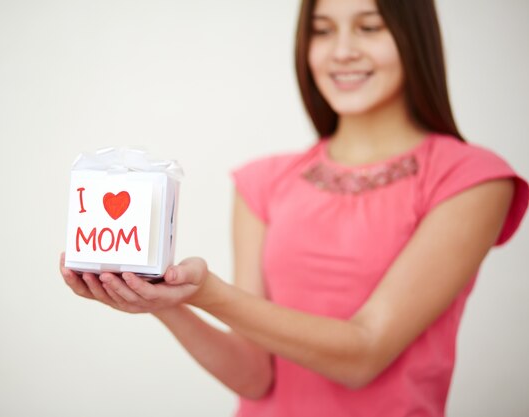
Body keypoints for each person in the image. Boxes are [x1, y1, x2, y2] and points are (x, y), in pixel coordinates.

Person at [60, 0, 529, 415]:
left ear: (414, 37)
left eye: (369, 26)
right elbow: (254, 377)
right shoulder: (262, 181)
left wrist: (205, 292)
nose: (342, 50)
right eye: (323, 30)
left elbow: (362, 356)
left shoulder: (471, 179)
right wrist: (163, 300)